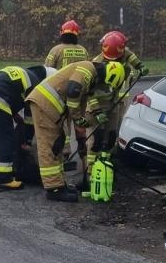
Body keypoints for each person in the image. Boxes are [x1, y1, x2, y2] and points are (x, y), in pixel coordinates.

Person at [26, 58, 126, 201]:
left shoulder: (90, 81)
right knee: (49, 146)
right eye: (105, 84)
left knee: (58, 144)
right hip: (45, 104)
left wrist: (81, 139)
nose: (103, 88)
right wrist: (78, 119)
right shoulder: (87, 69)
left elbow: (80, 104)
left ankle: (59, 184)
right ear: (108, 75)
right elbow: (73, 92)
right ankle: (53, 189)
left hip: (53, 108)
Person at [0, 64, 51, 190]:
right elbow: (30, 116)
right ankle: (2, 179)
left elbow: (8, 89)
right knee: (4, 137)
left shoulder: (25, 73)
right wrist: (28, 140)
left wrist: (14, 114)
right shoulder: (36, 84)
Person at [85, 30, 149, 168]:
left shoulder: (123, 52)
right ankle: (90, 171)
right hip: (97, 106)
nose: (112, 62)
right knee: (96, 139)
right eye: (109, 59)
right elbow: (89, 92)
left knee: (111, 137)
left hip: (113, 103)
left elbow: (130, 56)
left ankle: (106, 167)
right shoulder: (96, 64)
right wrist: (97, 111)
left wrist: (140, 66)